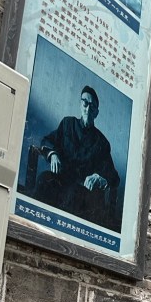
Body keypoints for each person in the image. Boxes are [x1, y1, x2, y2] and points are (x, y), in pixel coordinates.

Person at [36, 85, 120, 228]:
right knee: (43, 179)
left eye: (92, 106)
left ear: (96, 113)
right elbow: (47, 140)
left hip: (81, 189)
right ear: (80, 104)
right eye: (85, 103)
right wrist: (53, 154)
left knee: (74, 196)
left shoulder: (102, 142)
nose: (88, 108)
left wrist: (100, 177)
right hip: (60, 179)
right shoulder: (67, 123)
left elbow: (114, 176)